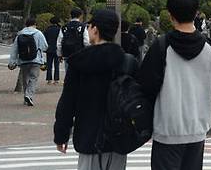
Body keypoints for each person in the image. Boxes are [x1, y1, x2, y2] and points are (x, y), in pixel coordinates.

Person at [137, 0, 211, 170]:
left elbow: (146, 86)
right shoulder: (210, 48)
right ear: (196, 13)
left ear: (170, 15)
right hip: (197, 129)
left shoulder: (162, 46)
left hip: (167, 129)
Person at [54, 9, 128, 169]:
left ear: (95, 29)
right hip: (118, 138)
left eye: (89, 27)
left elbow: (68, 102)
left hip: (89, 136)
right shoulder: (125, 60)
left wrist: (61, 134)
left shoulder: (79, 62)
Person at [9, 18, 48, 106]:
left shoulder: (20, 34)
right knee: (33, 78)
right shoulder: (38, 33)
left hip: (23, 60)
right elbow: (45, 46)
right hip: (36, 60)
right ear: (34, 24)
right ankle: (29, 95)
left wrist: (12, 62)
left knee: (25, 79)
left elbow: (14, 49)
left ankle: (26, 97)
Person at [43, 17, 61, 85]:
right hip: (57, 49)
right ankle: (56, 80)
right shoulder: (59, 29)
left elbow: (44, 39)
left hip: (49, 49)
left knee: (49, 65)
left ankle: (49, 80)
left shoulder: (47, 29)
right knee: (57, 65)